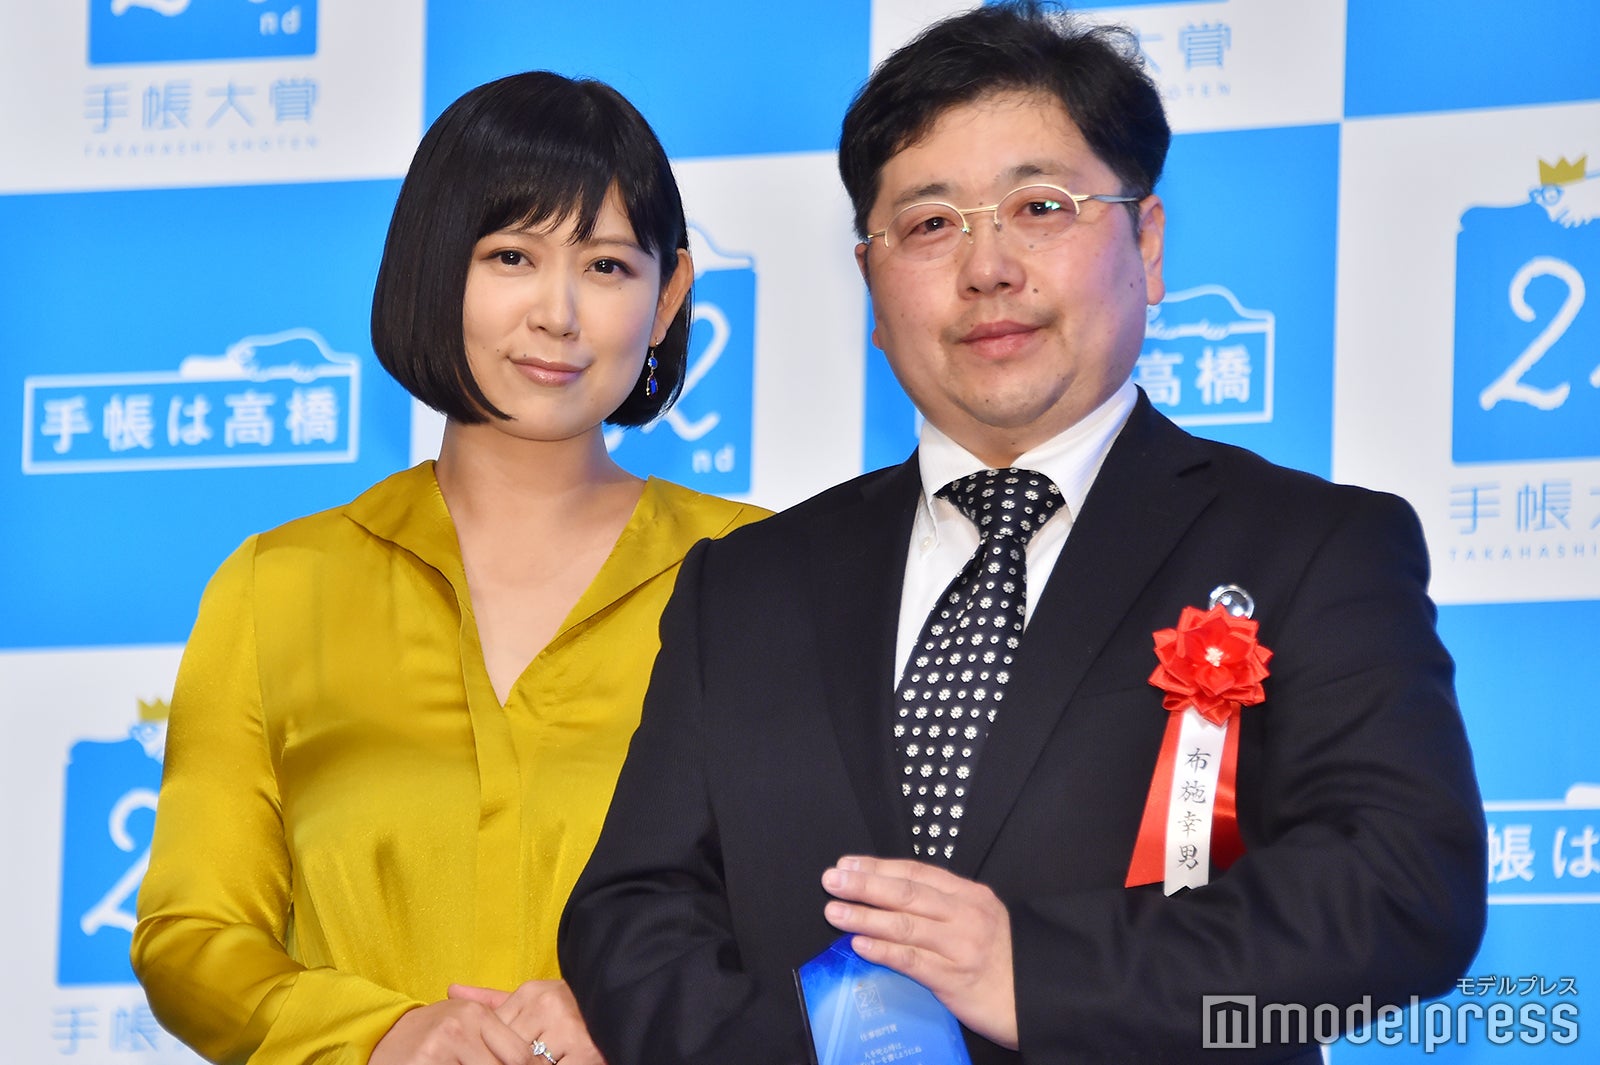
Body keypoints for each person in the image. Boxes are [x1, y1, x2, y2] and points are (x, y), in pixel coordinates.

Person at [557, 4, 1487, 1062]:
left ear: (1146, 242)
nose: (986, 267)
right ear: (870, 282)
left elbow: (1402, 885)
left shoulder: (1311, 546)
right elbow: (631, 913)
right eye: (930, 224)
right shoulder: (745, 583)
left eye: (1039, 208)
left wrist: (1032, 972)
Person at [131, 71, 766, 1065]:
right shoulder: (279, 584)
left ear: (667, 297)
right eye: (511, 256)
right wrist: (380, 1033)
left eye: (606, 266)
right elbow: (192, 937)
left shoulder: (765, 578)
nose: (557, 313)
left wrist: (651, 1014)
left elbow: (840, 921)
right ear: (433, 269)